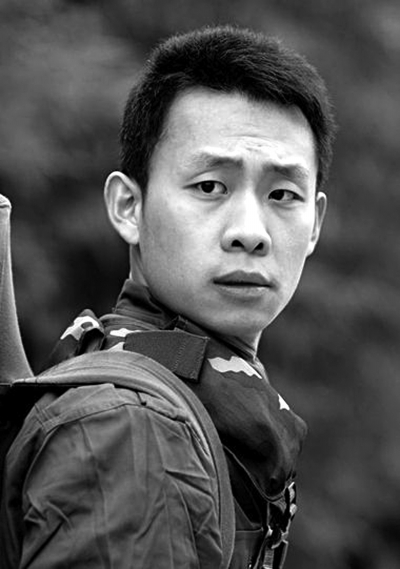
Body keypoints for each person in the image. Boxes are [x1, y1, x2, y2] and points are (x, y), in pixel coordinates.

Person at [0, 25, 336, 568]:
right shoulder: (130, 429)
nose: (250, 232)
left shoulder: (193, 406)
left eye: (282, 194)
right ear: (128, 207)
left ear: (315, 222)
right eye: (209, 187)